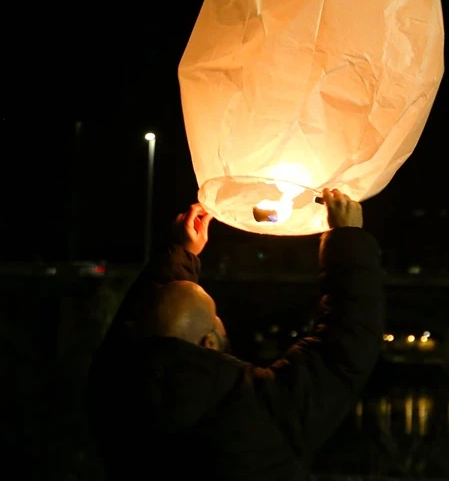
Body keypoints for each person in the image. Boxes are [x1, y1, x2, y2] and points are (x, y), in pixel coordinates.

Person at [86, 190, 386, 481]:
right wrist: (348, 241)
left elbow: (151, 315)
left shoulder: (114, 391)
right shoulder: (261, 411)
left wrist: (181, 253)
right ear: (209, 342)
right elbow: (343, 348)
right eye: (215, 316)